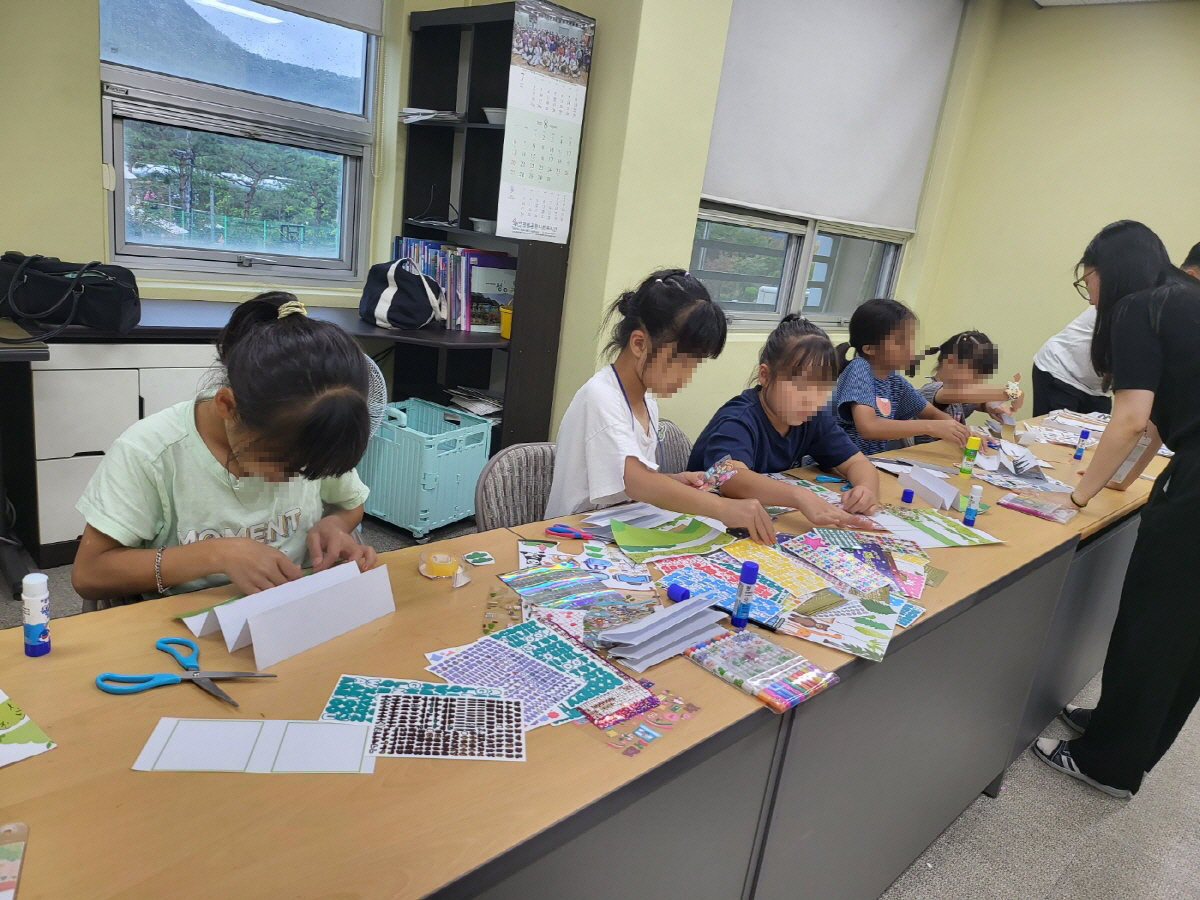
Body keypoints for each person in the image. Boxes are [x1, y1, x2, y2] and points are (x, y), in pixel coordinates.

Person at [1032, 220, 1200, 799]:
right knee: (1184, 633)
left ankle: (1109, 764)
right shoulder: (1185, 299)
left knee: (1153, 623)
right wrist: (1121, 481)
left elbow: (1128, 420)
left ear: (1109, 269)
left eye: (1088, 280)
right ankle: (1126, 738)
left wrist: (1077, 497)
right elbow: (1156, 425)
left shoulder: (1140, 308)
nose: (1090, 295)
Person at [72, 293, 377, 602]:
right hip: (182, 616)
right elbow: (89, 574)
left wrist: (334, 525)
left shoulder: (314, 437)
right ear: (228, 406)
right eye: (284, 466)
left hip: (285, 606)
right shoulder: (150, 452)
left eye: (307, 471)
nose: (295, 478)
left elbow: (350, 504)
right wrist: (216, 554)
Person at [545, 269, 775, 544]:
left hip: (617, 531)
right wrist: (723, 508)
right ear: (639, 343)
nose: (687, 375)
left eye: (695, 364)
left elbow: (626, 483)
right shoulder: (600, 396)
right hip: (573, 538)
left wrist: (675, 481)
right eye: (681, 361)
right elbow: (636, 482)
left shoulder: (647, 404)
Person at [688, 314, 881, 527]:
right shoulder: (738, 418)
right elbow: (726, 476)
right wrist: (799, 496)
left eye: (823, 388)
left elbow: (857, 462)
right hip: (699, 520)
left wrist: (865, 490)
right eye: (800, 386)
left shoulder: (811, 417)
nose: (811, 398)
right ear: (765, 375)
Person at [831, 298, 971, 455]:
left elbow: (932, 413)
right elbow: (869, 428)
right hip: (835, 463)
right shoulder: (859, 369)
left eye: (910, 339)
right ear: (870, 349)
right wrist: (930, 427)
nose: (909, 347)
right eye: (900, 341)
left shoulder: (895, 381)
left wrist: (965, 433)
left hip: (866, 462)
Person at [916, 330, 1023, 426]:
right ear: (951, 362)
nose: (977, 382)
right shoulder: (931, 391)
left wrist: (988, 406)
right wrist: (1011, 392)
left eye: (981, 377)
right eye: (975, 375)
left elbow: (971, 403)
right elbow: (960, 393)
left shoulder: (957, 396)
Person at [1031, 290, 1111, 417]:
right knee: (1054, 427)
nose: (1090, 301)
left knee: (1100, 428)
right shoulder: (1122, 309)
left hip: (1098, 388)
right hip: (1060, 371)